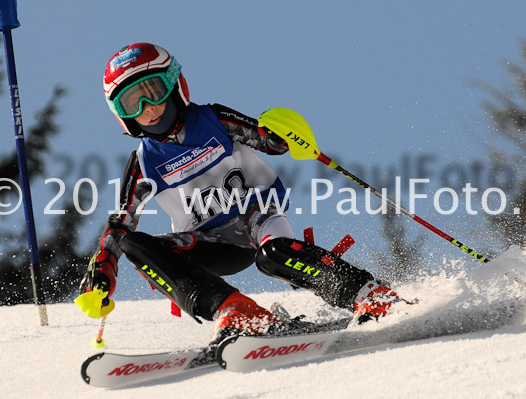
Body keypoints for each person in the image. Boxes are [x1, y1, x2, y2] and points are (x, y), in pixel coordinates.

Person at [76, 42, 406, 345]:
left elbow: (269, 141)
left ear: (175, 85)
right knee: (135, 245)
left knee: (273, 255)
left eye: (153, 91)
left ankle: (368, 294)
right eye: (132, 102)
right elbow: (121, 224)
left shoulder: (213, 120)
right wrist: (103, 267)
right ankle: (237, 311)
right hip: (210, 243)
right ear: (122, 114)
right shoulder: (144, 162)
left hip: (256, 217)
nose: (148, 107)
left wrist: (280, 135)